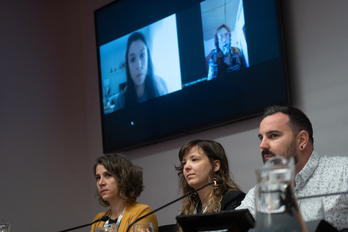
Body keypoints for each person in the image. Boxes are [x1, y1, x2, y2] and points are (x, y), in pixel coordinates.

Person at [236, 105, 348, 230]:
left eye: (273, 135)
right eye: (261, 138)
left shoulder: (343, 172)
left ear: (301, 140)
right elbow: (231, 226)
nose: (262, 145)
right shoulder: (258, 192)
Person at [175, 139, 245, 231]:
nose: (186, 167)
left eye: (194, 159)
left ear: (215, 166)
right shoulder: (188, 210)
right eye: (184, 163)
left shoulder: (232, 199)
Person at [91, 153, 158, 232]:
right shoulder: (99, 220)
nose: (100, 183)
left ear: (123, 178)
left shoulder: (142, 213)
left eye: (108, 175)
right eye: (98, 177)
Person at [113, 32, 167, 110]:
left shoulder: (159, 86)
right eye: (132, 59)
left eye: (142, 55)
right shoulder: (121, 101)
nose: (138, 65)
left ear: (148, 57)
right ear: (128, 64)